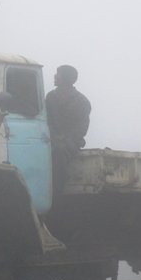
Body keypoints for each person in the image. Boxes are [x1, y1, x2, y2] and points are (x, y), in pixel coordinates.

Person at [45, 65, 91, 196]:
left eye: (57, 74)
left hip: (69, 144)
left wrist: (66, 140)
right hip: (51, 140)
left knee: (58, 155)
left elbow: (82, 127)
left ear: (65, 78)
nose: (54, 76)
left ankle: (57, 193)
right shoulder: (50, 97)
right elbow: (45, 120)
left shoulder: (82, 101)